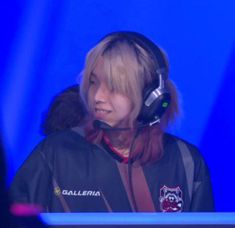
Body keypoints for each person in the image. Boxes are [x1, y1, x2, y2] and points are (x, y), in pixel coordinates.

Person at [10, 31, 215, 212]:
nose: (98, 96)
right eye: (93, 82)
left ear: (151, 97)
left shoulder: (187, 161)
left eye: (113, 86)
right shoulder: (54, 153)